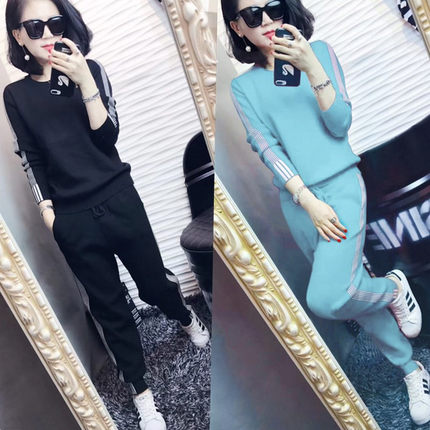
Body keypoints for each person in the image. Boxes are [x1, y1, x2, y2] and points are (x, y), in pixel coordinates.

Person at [222, 0, 430, 425]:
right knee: (350, 295)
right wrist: (306, 200)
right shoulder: (243, 87)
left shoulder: (321, 53)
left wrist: (310, 67)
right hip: (299, 203)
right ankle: (411, 369)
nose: (267, 21)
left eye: (274, 8)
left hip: (341, 186)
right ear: (238, 28)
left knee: (327, 297)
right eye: (253, 15)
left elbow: (339, 123)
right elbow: (265, 146)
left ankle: (392, 289)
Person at [3, 1, 210, 429]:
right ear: (18, 35)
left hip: (118, 198)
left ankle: (184, 315)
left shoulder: (91, 70)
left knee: (153, 285)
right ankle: (141, 393)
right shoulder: (16, 95)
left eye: (56, 23)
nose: (48, 34)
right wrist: (48, 212)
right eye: (35, 27)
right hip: (72, 218)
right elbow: (31, 156)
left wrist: (83, 81)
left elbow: (107, 137)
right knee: (110, 307)